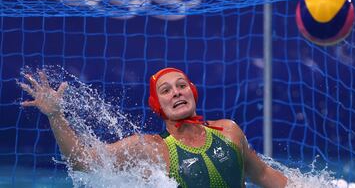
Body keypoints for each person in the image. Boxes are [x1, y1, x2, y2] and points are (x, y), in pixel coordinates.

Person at [19, 67, 288, 188]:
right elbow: (83, 162)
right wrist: (55, 115)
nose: (176, 93)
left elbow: (264, 175)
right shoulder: (149, 148)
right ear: (157, 105)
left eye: (182, 85)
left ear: (193, 92)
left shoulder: (228, 131)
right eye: (166, 90)